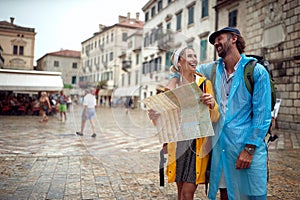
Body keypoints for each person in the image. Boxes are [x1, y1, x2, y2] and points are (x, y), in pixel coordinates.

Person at [169, 27, 272, 200]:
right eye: (213, 41)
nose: (216, 43)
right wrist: (172, 82)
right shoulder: (211, 69)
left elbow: (263, 116)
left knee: (251, 193)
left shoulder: (255, 71)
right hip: (221, 146)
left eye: (219, 38)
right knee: (225, 191)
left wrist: (249, 148)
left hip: (246, 146)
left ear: (234, 39)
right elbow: (180, 68)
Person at [149, 47, 219, 200]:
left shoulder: (204, 84)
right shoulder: (171, 89)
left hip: (197, 144)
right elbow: (165, 123)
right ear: (179, 62)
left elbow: (215, 117)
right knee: (180, 190)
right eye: (189, 56)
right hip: (177, 143)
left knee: (188, 193)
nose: (194, 59)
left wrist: (212, 104)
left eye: (195, 55)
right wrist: (155, 116)